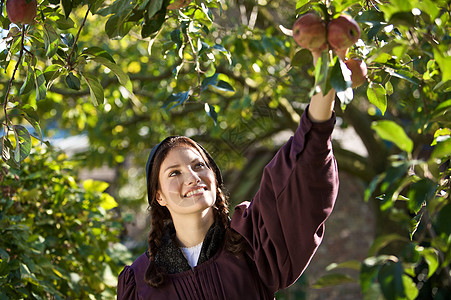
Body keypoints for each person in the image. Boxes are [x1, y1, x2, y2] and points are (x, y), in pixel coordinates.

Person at [117, 49, 340, 299]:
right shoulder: (141, 281)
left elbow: (301, 167)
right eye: (174, 173)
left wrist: (327, 75)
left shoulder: (251, 242)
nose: (192, 177)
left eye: (199, 165)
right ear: (158, 196)